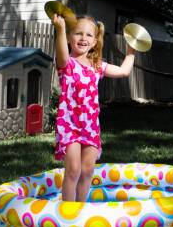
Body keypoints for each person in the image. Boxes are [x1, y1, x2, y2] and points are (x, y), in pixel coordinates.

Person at [51, 13, 135, 202]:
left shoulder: (97, 66)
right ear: (70, 37)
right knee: (73, 169)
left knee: (88, 170)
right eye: (78, 33)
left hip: (90, 125)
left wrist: (131, 50)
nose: (83, 38)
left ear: (95, 40)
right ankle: (68, 211)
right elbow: (62, 53)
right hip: (70, 124)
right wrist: (61, 29)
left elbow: (123, 71)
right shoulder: (67, 64)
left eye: (89, 35)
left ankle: (81, 208)